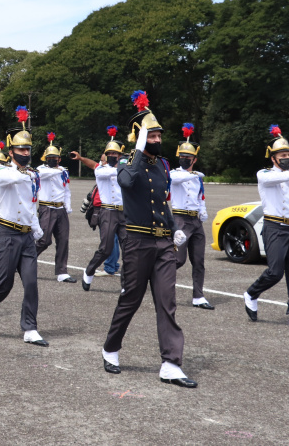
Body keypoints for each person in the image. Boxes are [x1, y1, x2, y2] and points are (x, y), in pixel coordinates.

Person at [101, 91, 196, 388]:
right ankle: (111, 348)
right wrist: (139, 150)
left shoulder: (163, 166)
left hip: (163, 243)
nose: (157, 140)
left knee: (167, 301)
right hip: (138, 242)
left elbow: (160, 200)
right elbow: (127, 183)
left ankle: (171, 363)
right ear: (139, 139)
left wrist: (173, 227)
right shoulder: (127, 164)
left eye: (157, 136)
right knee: (130, 299)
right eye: (150, 136)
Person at [0, 106, 48, 346]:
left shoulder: (31, 174)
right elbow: (9, 178)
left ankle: (30, 328)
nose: (25, 152)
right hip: (6, 234)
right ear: (10, 151)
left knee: (30, 283)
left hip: (26, 236)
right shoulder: (2, 171)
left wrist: (36, 227)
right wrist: (26, 172)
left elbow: (31, 205)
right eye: (20, 149)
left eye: (28, 149)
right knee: (4, 284)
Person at [243, 125, 289, 331]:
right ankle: (251, 293)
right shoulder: (265, 174)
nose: (286, 158)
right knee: (275, 272)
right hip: (274, 226)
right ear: (273, 158)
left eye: (288, 155)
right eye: (282, 155)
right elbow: (272, 178)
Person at [170, 123, 213, 310]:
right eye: (182, 156)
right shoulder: (174, 173)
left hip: (195, 220)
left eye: (188, 157)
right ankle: (162, 284)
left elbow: (200, 195)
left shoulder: (197, 177)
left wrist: (202, 209)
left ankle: (198, 296)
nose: (185, 160)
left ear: (195, 159)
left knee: (199, 261)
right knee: (178, 260)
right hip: (180, 220)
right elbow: (177, 179)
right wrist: (192, 175)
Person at [82, 126, 128, 290]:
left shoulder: (123, 168)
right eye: (109, 154)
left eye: (115, 154)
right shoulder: (102, 169)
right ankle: (89, 270)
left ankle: (125, 285)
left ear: (120, 155)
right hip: (107, 212)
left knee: (128, 250)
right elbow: (107, 174)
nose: (111, 156)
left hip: (124, 212)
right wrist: (124, 166)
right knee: (106, 248)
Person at [35, 132, 75, 282]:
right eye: (49, 158)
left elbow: (66, 190)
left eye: (55, 158)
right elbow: (42, 175)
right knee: (44, 240)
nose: (52, 160)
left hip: (60, 209)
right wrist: (56, 170)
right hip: (46, 208)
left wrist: (68, 206)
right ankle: (25, 261)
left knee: (63, 240)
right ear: (46, 159)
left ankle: (62, 272)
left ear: (59, 158)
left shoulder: (63, 171)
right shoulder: (41, 169)